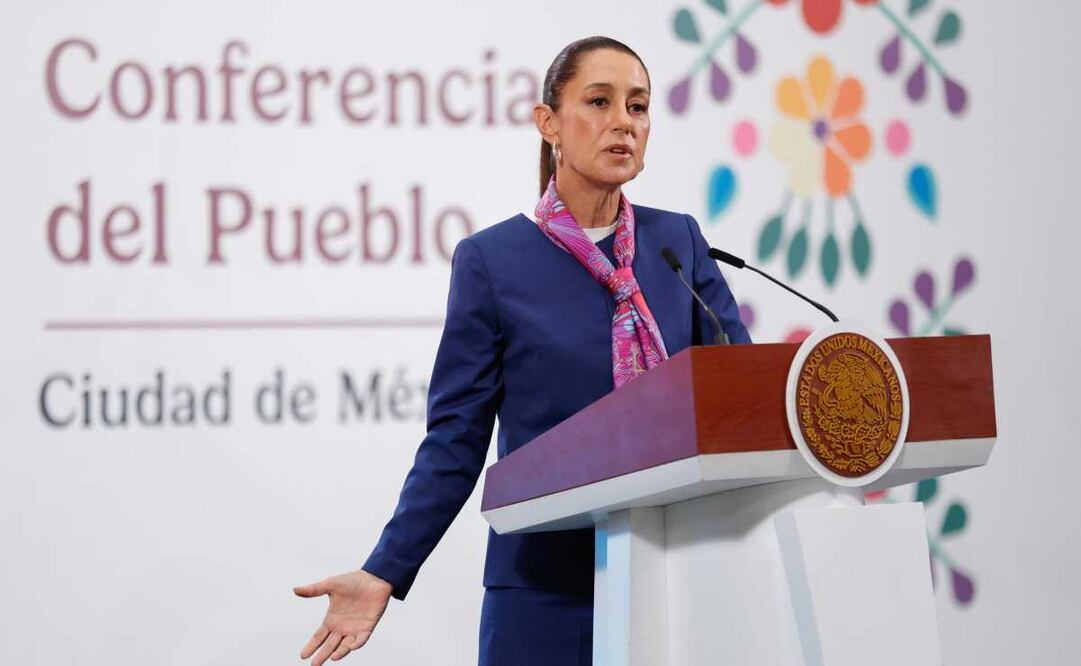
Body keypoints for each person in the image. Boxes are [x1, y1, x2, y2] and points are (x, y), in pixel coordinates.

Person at [293, 35, 750, 666]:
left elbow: (740, 396)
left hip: (684, 576)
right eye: (599, 101)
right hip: (545, 595)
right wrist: (385, 570)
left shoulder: (679, 243)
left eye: (639, 107)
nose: (623, 121)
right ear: (549, 123)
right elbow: (455, 440)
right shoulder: (492, 261)